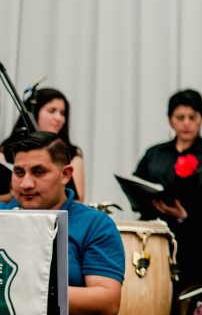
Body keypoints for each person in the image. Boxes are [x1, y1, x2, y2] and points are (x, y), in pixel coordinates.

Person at [1, 131, 123, 315]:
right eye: (19, 172)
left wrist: (27, 291)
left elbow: (107, 302)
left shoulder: (95, 225)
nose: (26, 184)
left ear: (65, 174)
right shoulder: (2, 214)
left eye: (38, 172)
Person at [134, 89, 202, 308]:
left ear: (201, 119)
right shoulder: (155, 153)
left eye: (192, 117)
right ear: (170, 120)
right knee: (159, 301)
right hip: (160, 240)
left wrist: (185, 214)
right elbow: (138, 186)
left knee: (199, 304)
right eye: (180, 118)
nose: (186, 123)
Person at [2, 87, 86, 202]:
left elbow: (78, 200)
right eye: (52, 111)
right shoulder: (4, 152)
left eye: (62, 113)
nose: (59, 118)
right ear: (34, 112)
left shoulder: (73, 154)